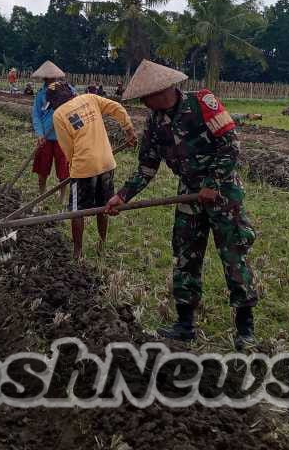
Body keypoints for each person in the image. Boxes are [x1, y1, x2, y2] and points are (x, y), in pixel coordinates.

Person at [104, 60, 259, 349]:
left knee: (233, 255)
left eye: (145, 97)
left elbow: (230, 145)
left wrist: (212, 183)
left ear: (162, 91)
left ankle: (245, 328)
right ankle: (185, 325)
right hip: (189, 193)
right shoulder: (154, 122)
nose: (144, 103)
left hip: (223, 193)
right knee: (185, 256)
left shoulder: (202, 103)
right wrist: (123, 195)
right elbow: (147, 166)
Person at [47, 81, 137, 260]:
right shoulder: (89, 98)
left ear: (54, 102)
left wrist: (74, 166)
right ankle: (102, 245)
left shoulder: (58, 114)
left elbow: (67, 148)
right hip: (106, 162)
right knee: (104, 206)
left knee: (76, 211)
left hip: (83, 168)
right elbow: (117, 108)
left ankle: (77, 252)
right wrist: (129, 130)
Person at [30, 61, 73, 201]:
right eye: (48, 79)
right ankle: (41, 194)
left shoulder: (67, 90)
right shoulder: (41, 94)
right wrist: (40, 133)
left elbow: (75, 106)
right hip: (45, 136)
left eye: (53, 78)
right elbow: (36, 115)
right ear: (44, 79)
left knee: (63, 169)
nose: (51, 81)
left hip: (63, 136)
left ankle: (62, 197)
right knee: (42, 167)